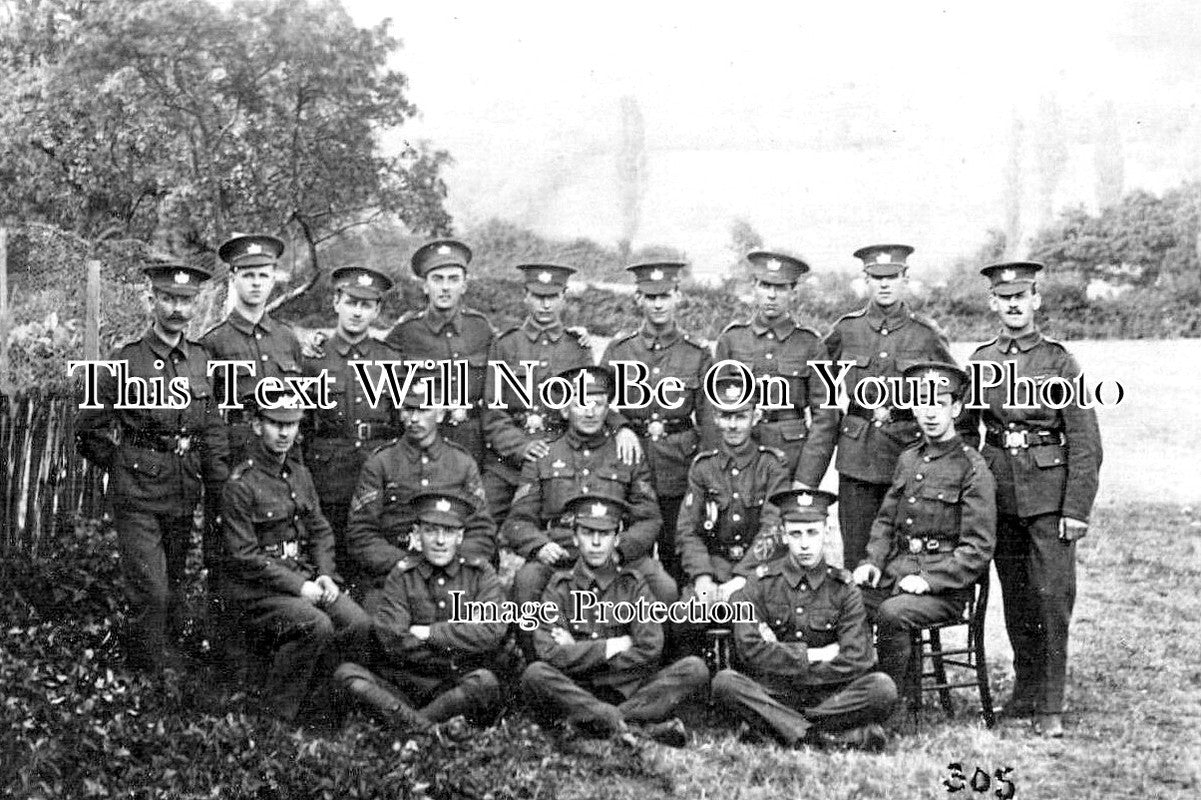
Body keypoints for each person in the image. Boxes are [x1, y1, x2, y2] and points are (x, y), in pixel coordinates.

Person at [75, 255, 229, 671]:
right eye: (168, 298)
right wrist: (123, 464)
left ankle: (167, 661)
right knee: (151, 589)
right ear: (151, 301)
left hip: (183, 487)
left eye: (186, 300)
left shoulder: (201, 359)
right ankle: (147, 672)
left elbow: (211, 425)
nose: (177, 308)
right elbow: (88, 428)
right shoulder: (125, 360)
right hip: (138, 494)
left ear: (195, 304)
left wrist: (217, 482)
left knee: (174, 582)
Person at [968, 262, 1102, 738]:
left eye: (1021, 296)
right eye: (1004, 298)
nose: (1013, 305)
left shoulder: (1060, 362)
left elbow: (1085, 441)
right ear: (993, 303)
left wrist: (1076, 509)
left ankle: (1050, 703)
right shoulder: (981, 362)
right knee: (1017, 597)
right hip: (1000, 495)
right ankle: (1025, 689)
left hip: (1049, 497)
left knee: (1052, 598)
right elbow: (965, 431)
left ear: (1036, 300)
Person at [852, 362, 996, 708]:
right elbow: (886, 521)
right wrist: (872, 562)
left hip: (946, 589)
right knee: (846, 599)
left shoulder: (971, 468)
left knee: (892, 613)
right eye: (922, 402)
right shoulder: (908, 459)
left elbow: (977, 548)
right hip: (898, 574)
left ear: (956, 409)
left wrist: (930, 580)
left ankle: (890, 707)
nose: (930, 413)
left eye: (940, 403)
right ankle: (853, 697)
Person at [804, 244, 956, 569]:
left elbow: (957, 391)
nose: (884, 284)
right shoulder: (846, 330)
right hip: (856, 460)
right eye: (877, 277)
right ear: (866, 280)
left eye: (892, 277)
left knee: (903, 556)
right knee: (857, 556)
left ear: (905, 279)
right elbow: (815, 379)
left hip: (906, 458)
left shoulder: (925, 335)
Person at [220, 390, 369, 721]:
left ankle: (320, 707)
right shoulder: (240, 484)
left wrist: (326, 574)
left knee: (357, 623)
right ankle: (277, 716)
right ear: (257, 426)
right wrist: (300, 587)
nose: (284, 433)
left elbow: (320, 531)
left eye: (291, 424)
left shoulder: (300, 474)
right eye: (276, 424)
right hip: (258, 591)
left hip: (304, 577)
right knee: (316, 624)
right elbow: (244, 556)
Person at [712, 489, 896, 750]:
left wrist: (781, 655)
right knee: (725, 683)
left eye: (812, 532)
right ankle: (827, 735)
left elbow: (857, 658)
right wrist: (813, 655)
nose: (805, 544)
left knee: (882, 689)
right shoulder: (759, 583)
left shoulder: (844, 587)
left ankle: (783, 728)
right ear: (783, 535)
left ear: (826, 532)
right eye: (796, 534)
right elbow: (749, 649)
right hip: (775, 692)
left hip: (830, 695)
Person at [520, 494, 709, 747]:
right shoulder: (559, 587)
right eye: (587, 533)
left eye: (605, 534)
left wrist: (578, 651)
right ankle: (634, 725)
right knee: (535, 675)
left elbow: (650, 647)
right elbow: (548, 651)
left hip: (627, 690)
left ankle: (600, 722)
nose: (596, 543)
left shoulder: (633, 585)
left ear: (617, 539)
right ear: (574, 538)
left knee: (695, 669)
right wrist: (613, 646)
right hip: (578, 689)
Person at [503, 365, 676, 609]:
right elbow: (518, 520)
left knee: (664, 588)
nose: (591, 412)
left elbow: (649, 519)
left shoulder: (626, 452)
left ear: (607, 409)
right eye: (581, 404)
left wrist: (621, 550)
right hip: (562, 553)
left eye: (598, 404)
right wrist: (540, 546)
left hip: (616, 553)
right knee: (527, 580)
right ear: (565, 410)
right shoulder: (544, 454)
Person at [333, 491, 505, 736]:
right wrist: (458, 640)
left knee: (484, 683)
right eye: (431, 531)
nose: (440, 541)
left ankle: (407, 728)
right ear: (417, 534)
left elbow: (491, 631)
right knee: (347, 674)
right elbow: (393, 638)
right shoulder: (402, 574)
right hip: (406, 683)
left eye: (449, 532)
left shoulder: (480, 574)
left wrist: (429, 633)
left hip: (456, 682)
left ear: (460, 536)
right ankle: (427, 729)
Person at [482, 263, 641, 526]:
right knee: (482, 522)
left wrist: (621, 427)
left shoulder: (577, 346)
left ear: (563, 297)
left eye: (553, 297)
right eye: (538, 296)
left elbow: (593, 398)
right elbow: (492, 411)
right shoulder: (506, 344)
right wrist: (520, 447)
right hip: (507, 461)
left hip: (559, 459)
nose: (546, 305)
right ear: (526, 296)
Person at [201, 233, 305, 581]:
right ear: (233, 278)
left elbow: (296, 406)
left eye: (263, 275)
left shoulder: (287, 339)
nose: (257, 283)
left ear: (274, 278)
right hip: (235, 459)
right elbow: (207, 417)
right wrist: (218, 474)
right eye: (248, 275)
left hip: (278, 465)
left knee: (280, 552)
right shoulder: (214, 342)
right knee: (227, 558)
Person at [602, 261, 712, 583]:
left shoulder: (697, 352)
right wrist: (621, 425)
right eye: (651, 297)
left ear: (678, 296)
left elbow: (708, 417)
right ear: (638, 299)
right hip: (629, 463)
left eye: (665, 296)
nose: (658, 304)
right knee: (628, 552)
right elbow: (596, 400)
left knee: (675, 551)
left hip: (678, 466)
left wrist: (707, 471)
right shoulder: (620, 349)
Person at [345, 374, 495, 608]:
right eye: (408, 409)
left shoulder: (462, 463)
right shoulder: (381, 463)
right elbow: (361, 534)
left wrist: (449, 563)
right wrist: (406, 564)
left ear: (441, 413)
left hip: (452, 576)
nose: (414, 418)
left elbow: (482, 531)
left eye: (423, 410)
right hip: (395, 575)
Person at [674, 375, 790, 656]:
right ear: (716, 418)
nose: (733, 425)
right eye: (726, 417)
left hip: (759, 570)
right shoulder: (703, 467)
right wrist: (702, 578)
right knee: (684, 618)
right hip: (715, 567)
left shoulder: (771, 465)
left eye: (741, 416)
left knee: (753, 619)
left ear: (756, 417)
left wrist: (742, 578)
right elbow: (687, 530)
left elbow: (773, 528)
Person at [301, 266, 402, 566]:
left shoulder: (391, 360)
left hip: (375, 474)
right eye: (351, 302)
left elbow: (400, 424)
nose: (357, 312)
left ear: (377, 310)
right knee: (330, 556)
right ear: (336, 303)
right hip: (328, 477)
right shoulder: (313, 360)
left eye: (366, 305)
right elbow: (301, 427)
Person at [714, 250, 837, 482]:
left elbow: (825, 417)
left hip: (790, 459)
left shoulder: (811, 344)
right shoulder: (731, 340)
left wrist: (806, 477)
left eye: (780, 288)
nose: (771, 295)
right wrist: (717, 470)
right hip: (739, 458)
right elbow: (715, 409)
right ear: (754, 287)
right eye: (765, 285)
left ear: (793, 292)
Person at [385, 239, 494, 465]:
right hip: (422, 442)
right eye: (437, 279)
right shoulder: (406, 331)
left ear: (464, 286)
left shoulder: (481, 328)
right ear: (425, 286)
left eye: (453, 279)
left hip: (472, 440)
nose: (445, 287)